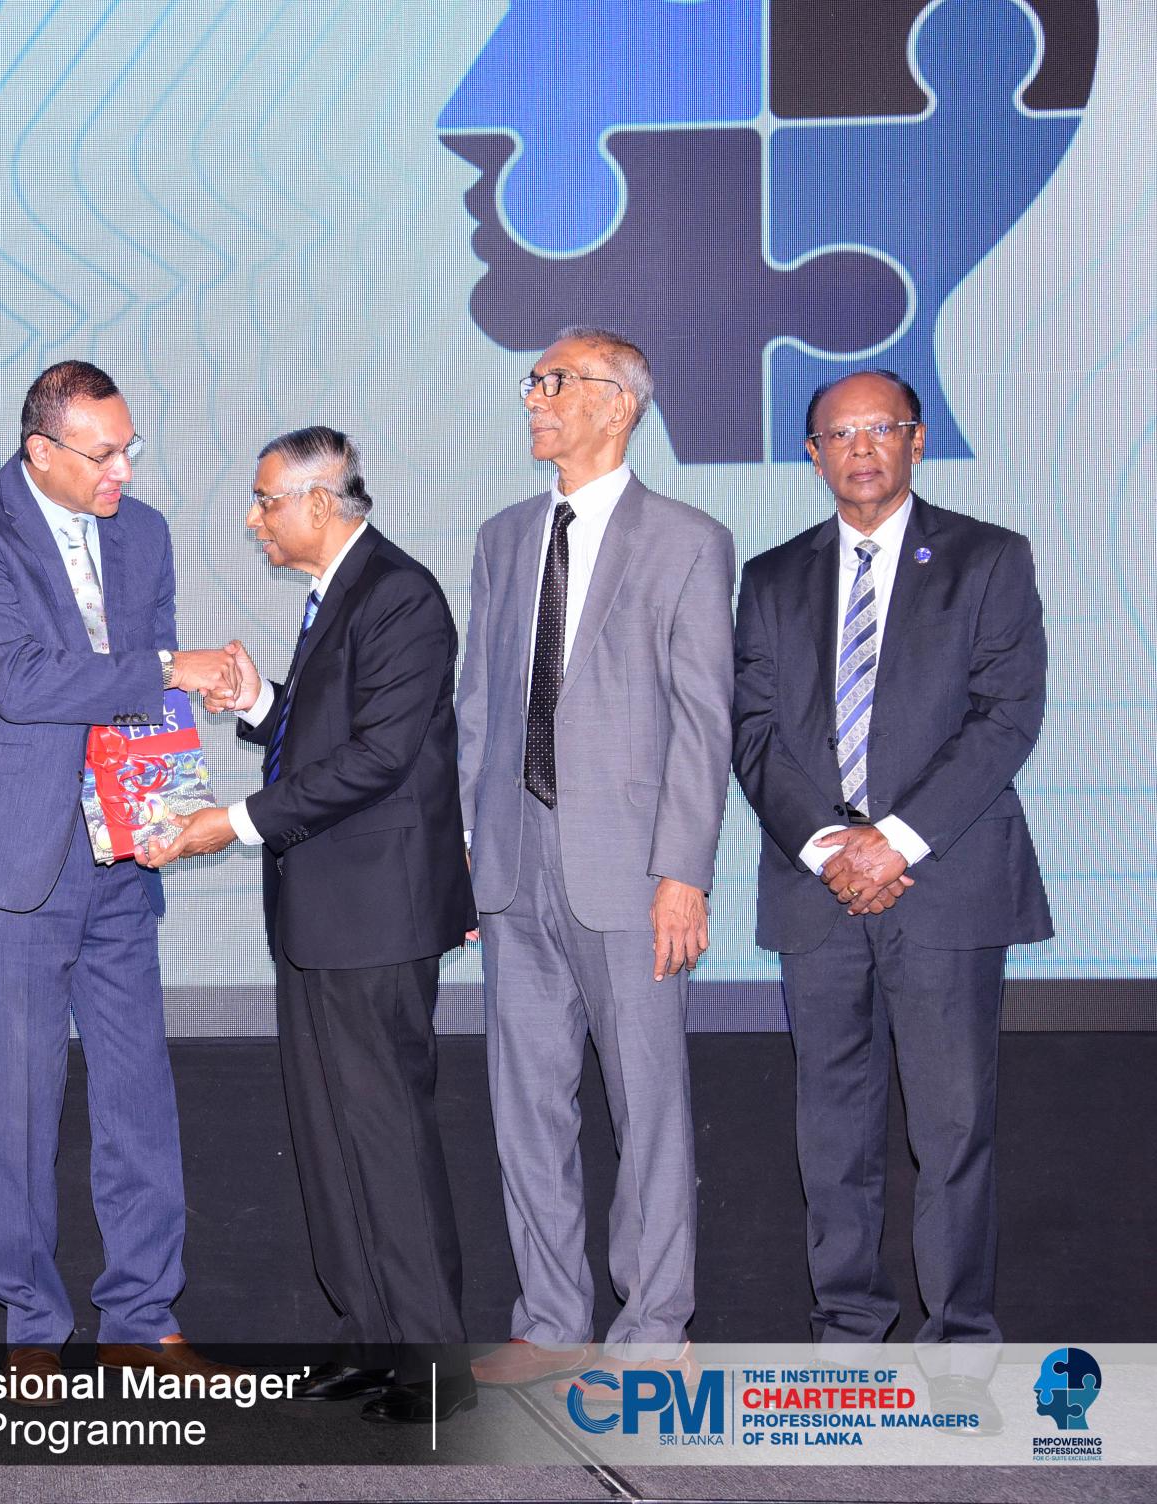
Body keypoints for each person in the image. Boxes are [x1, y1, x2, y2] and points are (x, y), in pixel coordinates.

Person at [733, 369, 1050, 1434]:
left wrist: (894, 841)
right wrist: (831, 846)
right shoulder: (772, 576)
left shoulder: (989, 558)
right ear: (812, 454)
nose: (861, 448)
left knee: (953, 1128)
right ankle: (847, 1339)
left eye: (882, 429)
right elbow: (752, 732)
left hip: (943, 883)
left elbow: (1006, 716)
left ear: (917, 442)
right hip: (817, 886)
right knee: (834, 1131)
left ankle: (958, 1353)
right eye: (840, 433)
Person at [143, 427, 477, 1425]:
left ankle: (433, 1364)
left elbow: (378, 757)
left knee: (385, 1140)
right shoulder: (339, 592)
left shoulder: (399, 594)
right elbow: (326, 734)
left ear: (321, 502)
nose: (254, 520)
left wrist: (234, 822)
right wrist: (258, 703)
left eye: (265, 501)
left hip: (373, 917)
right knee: (333, 1141)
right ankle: (372, 1341)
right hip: (323, 913)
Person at [0, 360, 240, 1392]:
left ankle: (141, 1317)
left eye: (128, 448)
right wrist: (172, 668)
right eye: (103, 454)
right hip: (10, 856)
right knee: (18, 1103)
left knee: (138, 1094)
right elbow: (20, 681)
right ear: (41, 449)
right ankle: (31, 1322)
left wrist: (174, 800)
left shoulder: (143, 533)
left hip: (124, 851)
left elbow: (148, 698)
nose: (122, 471)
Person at [456, 328, 734, 1396]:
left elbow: (703, 723)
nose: (533, 398)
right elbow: (480, 707)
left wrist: (684, 873)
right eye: (532, 382)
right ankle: (552, 1322)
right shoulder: (502, 536)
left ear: (618, 405)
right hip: (513, 868)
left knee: (647, 1109)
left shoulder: (688, 541)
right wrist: (470, 847)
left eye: (555, 381)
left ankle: (653, 1332)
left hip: (632, 875)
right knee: (526, 1106)